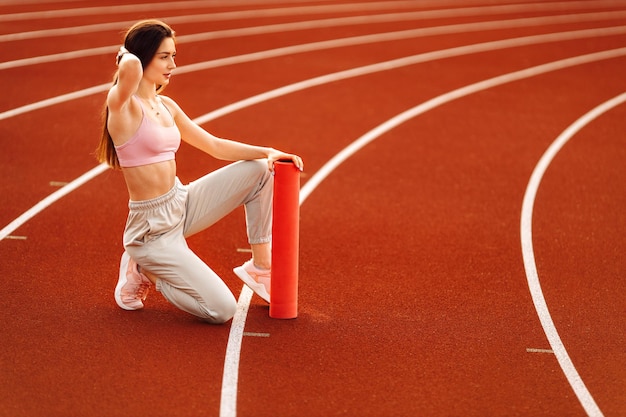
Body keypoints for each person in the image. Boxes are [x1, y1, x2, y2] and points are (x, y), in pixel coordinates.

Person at [95, 20, 304, 324]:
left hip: (181, 202)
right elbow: (128, 69)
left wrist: (267, 151)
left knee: (260, 171)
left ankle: (260, 267)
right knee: (222, 310)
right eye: (164, 56)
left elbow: (214, 145)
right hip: (152, 231)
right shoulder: (123, 106)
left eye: (174, 56)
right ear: (142, 59)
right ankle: (146, 269)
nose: (172, 66)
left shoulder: (166, 105)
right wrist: (127, 53)